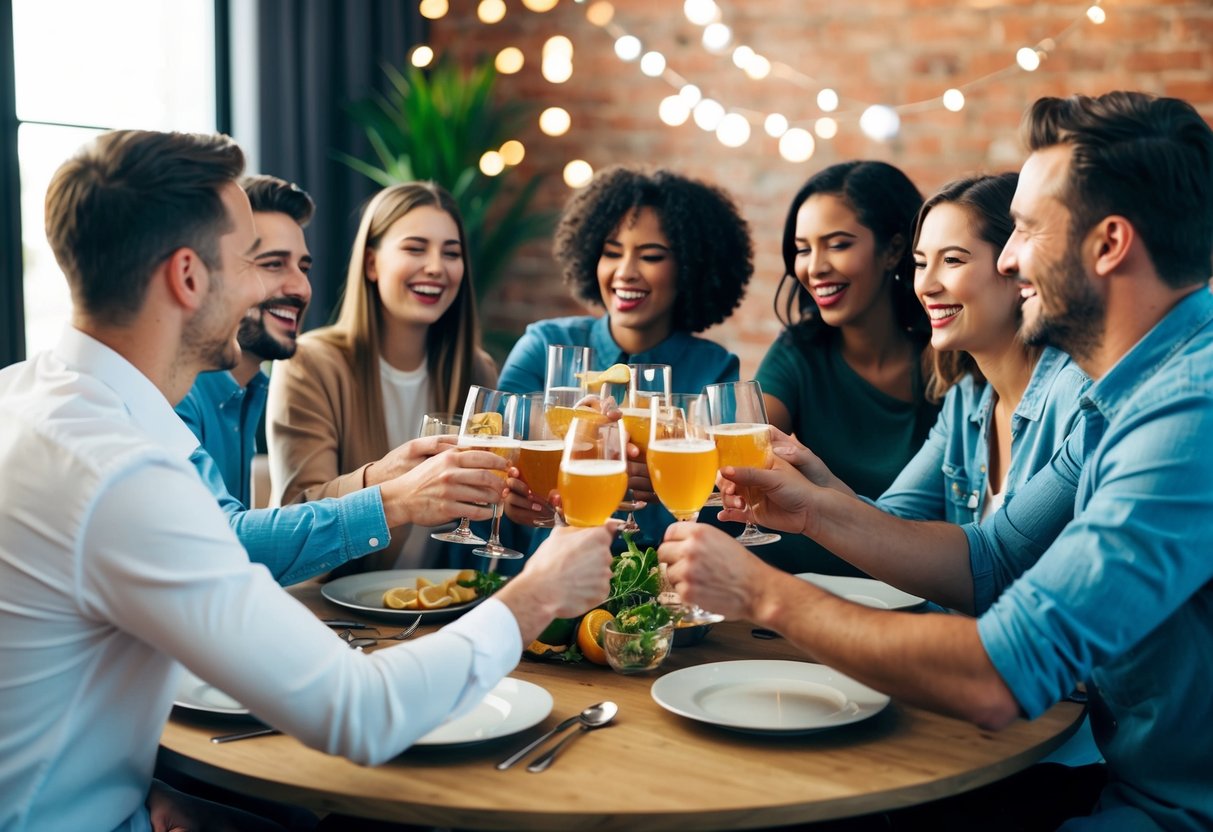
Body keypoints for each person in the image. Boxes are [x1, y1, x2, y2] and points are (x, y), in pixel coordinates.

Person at [0, 129, 616, 832]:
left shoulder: (26, 397)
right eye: (251, 261)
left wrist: (138, 786)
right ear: (188, 278)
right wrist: (538, 595)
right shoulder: (124, 475)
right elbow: (360, 712)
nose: (278, 288)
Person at [660, 91, 1213, 830]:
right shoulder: (1129, 392)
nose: (1010, 259)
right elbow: (993, 558)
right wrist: (815, 508)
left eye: (1025, 230)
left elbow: (1001, 672)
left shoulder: (1189, 413)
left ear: (1108, 244)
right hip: (1130, 785)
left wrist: (760, 593)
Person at [496, 165, 753, 547]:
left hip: (663, 574)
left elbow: (730, 509)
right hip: (555, 570)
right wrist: (513, 499)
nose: (625, 272)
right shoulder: (543, 345)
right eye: (611, 252)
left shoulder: (714, 369)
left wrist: (670, 488)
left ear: (690, 266)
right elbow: (500, 468)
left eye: (651, 256)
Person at [267, 181, 499, 573]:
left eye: (451, 253)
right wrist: (387, 478)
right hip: (327, 599)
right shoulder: (309, 362)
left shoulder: (477, 369)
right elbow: (297, 513)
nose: (436, 267)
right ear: (372, 263)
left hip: (438, 598)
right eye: (415, 248)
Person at [755, 161, 939, 574]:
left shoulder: (946, 360)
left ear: (893, 250)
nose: (815, 267)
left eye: (837, 245)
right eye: (803, 249)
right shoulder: (799, 351)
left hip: (910, 587)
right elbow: (751, 435)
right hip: (796, 582)